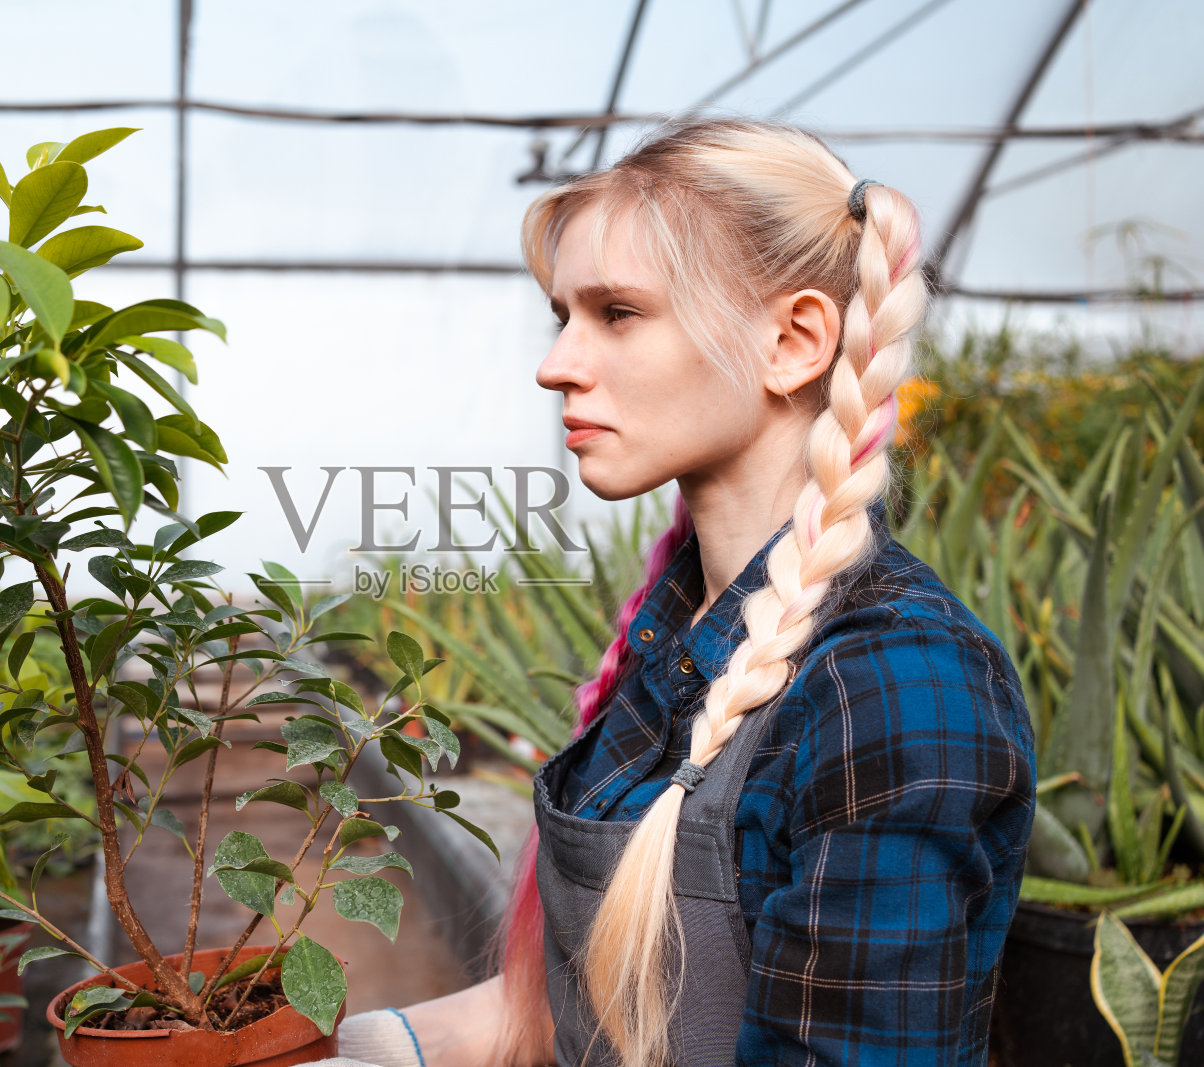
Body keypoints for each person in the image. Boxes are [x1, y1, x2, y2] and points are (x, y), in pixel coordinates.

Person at [334, 113, 1036, 1067]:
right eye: (562, 317)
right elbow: (582, 1004)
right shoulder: (674, 633)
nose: (556, 366)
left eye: (618, 313)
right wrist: (370, 1049)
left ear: (792, 341)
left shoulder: (888, 686)